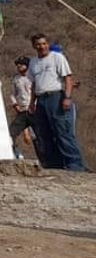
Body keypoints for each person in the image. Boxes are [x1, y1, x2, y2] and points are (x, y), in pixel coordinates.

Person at [27, 34, 87, 171]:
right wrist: (32, 103)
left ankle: (75, 165)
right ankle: (55, 165)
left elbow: (68, 78)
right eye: (38, 44)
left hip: (56, 97)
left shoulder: (57, 57)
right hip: (41, 99)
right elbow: (34, 84)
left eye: (44, 43)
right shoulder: (33, 62)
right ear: (34, 46)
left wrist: (67, 97)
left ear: (47, 44)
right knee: (45, 133)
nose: (41, 46)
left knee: (63, 132)